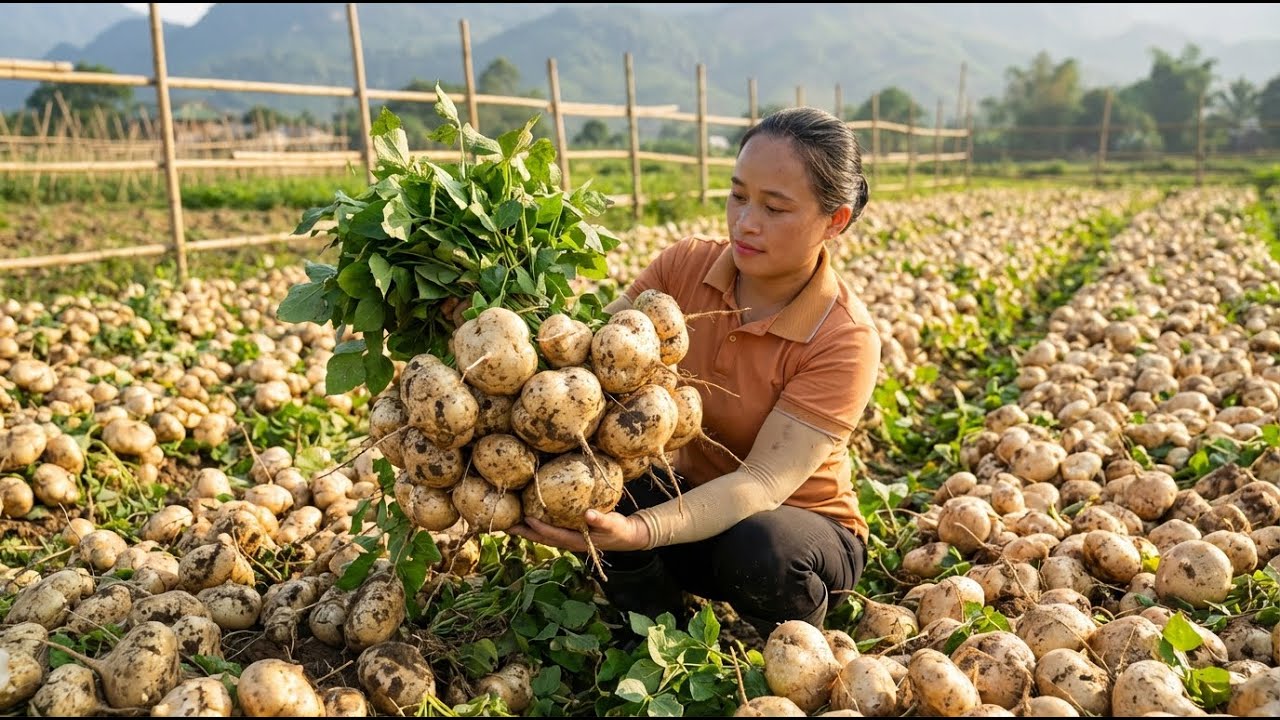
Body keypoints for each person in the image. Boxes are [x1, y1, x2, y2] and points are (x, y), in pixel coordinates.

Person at [508, 106, 881, 639]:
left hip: (795, 529)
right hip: (686, 498)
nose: (745, 222)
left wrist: (643, 531)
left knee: (760, 547)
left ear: (835, 220)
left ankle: (787, 641)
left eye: (775, 208)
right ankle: (654, 631)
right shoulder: (682, 267)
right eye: (737, 196)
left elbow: (761, 484)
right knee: (595, 488)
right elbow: (587, 354)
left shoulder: (844, 336)